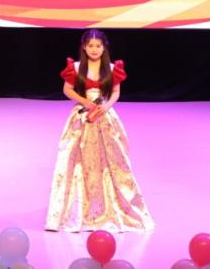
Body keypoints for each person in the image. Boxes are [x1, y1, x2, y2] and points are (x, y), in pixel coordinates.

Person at [45, 29, 154, 232]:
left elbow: (116, 92)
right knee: (77, 162)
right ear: (84, 47)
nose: (94, 49)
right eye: (90, 46)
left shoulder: (112, 68)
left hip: (104, 117)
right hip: (82, 117)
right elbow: (67, 89)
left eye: (98, 46)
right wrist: (84, 101)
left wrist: (107, 106)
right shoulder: (75, 67)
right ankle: (79, 208)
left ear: (104, 48)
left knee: (111, 162)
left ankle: (111, 206)